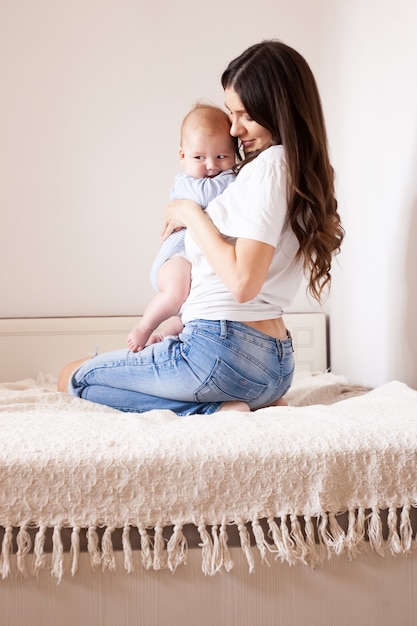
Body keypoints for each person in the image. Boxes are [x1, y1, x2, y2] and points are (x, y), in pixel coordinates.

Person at [59, 39, 344, 416]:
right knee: (93, 369)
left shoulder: (270, 166)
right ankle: (243, 401)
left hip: (222, 351)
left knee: (74, 377)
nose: (234, 128)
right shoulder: (295, 170)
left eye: (246, 115)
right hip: (274, 365)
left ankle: (215, 410)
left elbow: (243, 283)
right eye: (231, 113)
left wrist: (189, 212)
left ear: (279, 110)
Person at [127, 104, 237, 352]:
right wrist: (235, 177)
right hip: (175, 258)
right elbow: (210, 195)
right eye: (199, 157)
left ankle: (164, 338)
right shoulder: (188, 185)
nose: (211, 166)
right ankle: (145, 327)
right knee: (177, 294)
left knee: (189, 309)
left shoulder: (219, 178)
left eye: (221, 157)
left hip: (195, 262)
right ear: (182, 157)